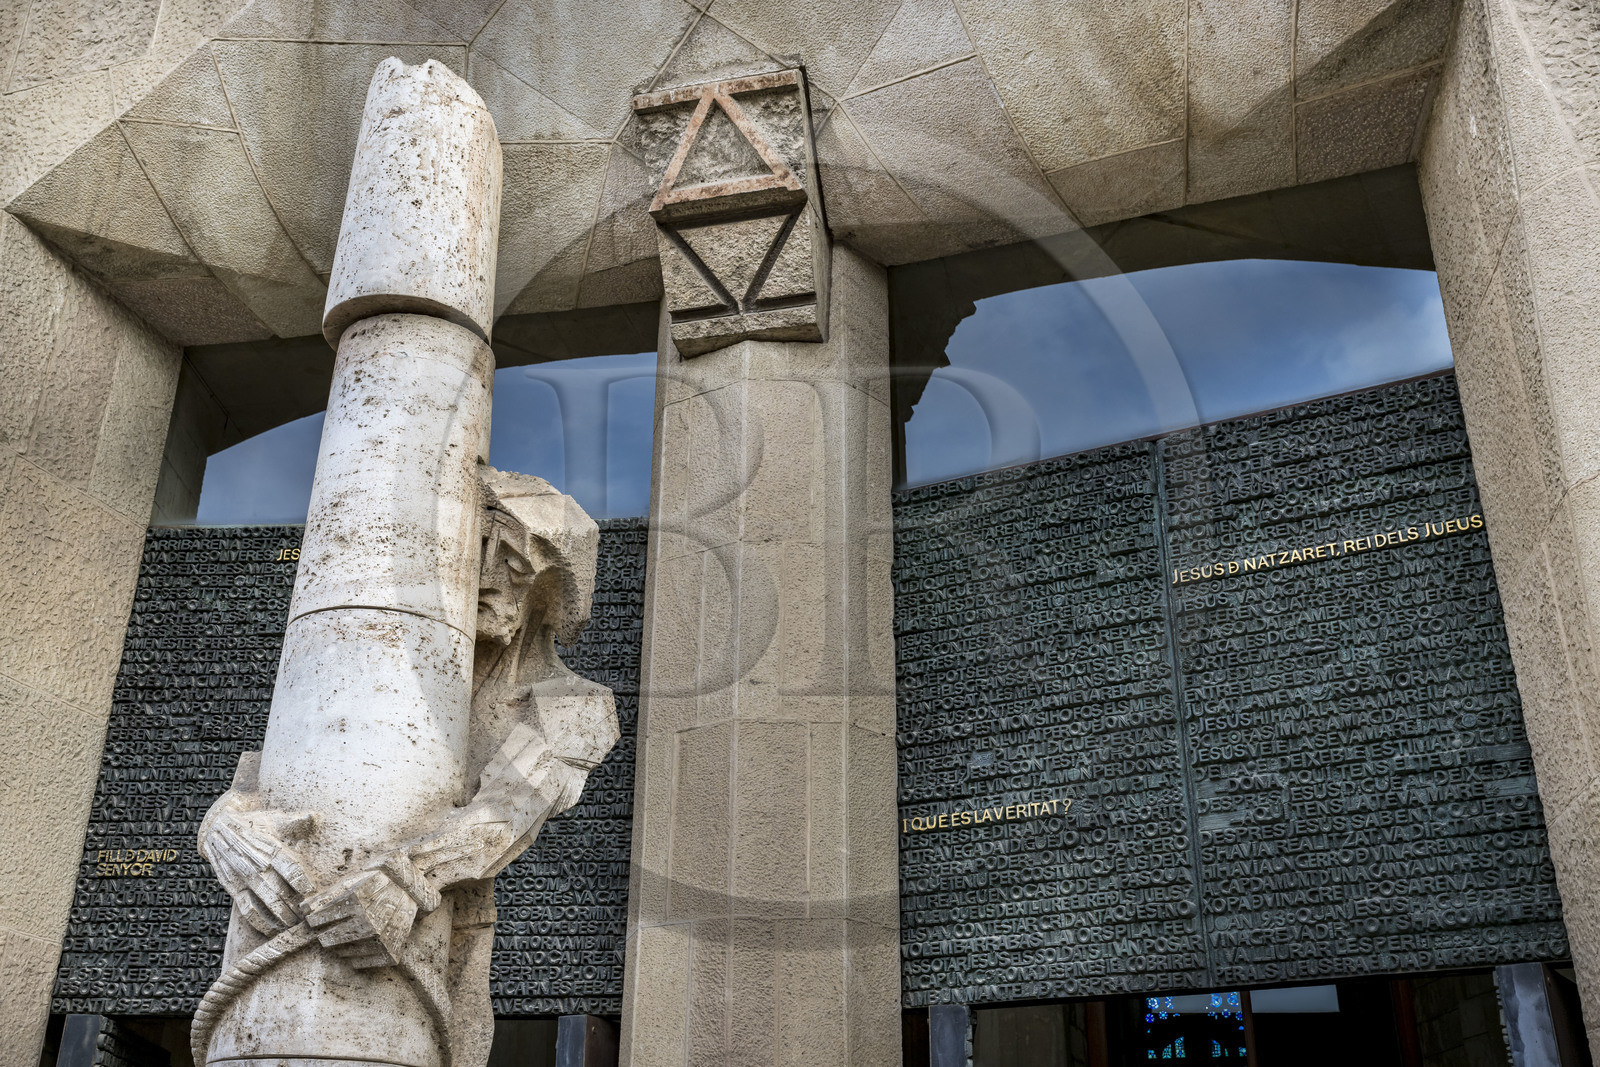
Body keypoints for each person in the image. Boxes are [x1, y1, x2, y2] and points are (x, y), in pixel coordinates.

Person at [199, 466, 618, 1066]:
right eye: (475, 550)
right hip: (270, 943)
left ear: (549, 590)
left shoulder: (577, 706)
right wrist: (224, 829)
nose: (485, 578)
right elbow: (255, 782)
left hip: (435, 945)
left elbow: (502, 818)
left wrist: (407, 876)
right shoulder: (366, 666)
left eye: (514, 566)